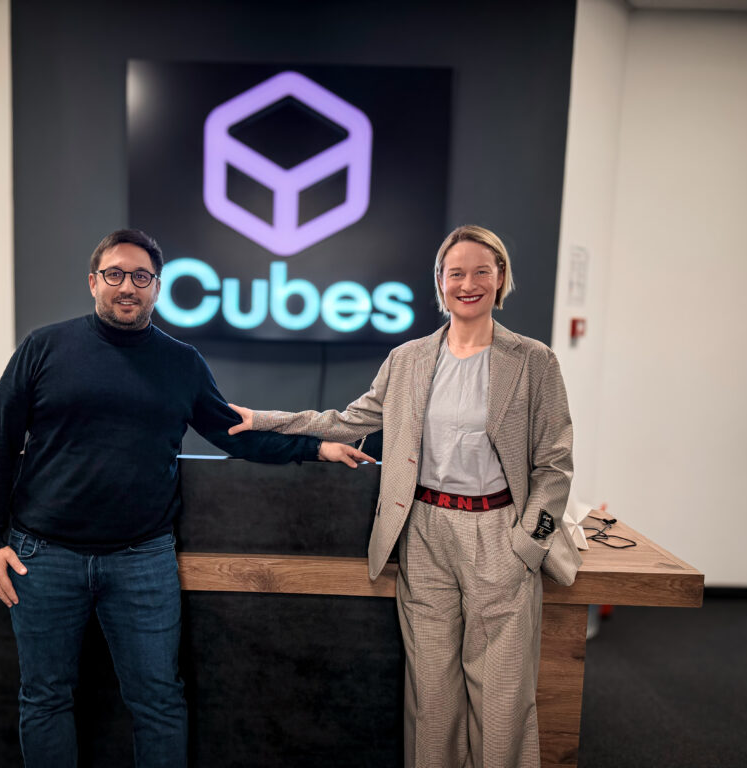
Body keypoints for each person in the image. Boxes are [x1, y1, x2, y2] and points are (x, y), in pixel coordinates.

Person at [0, 228, 368, 768]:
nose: (127, 286)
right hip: (42, 557)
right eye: (115, 274)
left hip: (142, 560)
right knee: (44, 698)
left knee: (157, 700)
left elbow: (233, 433)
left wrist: (316, 448)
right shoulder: (44, 347)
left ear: (157, 287)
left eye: (141, 277)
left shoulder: (182, 362)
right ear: (93, 282)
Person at [229, 225, 581, 768]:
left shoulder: (535, 361)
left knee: (504, 698)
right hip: (424, 533)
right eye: (456, 273)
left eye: (481, 272)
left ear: (501, 278)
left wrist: (527, 547)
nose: (468, 284)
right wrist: (264, 420)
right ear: (440, 282)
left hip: (499, 535)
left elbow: (554, 465)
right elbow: (346, 421)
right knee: (432, 698)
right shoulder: (408, 359)